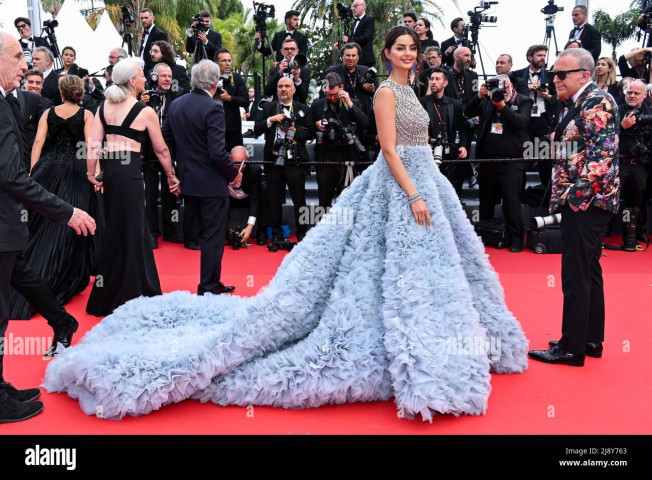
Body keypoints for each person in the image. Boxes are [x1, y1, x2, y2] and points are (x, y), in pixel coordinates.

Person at [41, 27, 528, 423]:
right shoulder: (384, 91)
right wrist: (416, 193)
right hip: (403, 189)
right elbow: (388, 150)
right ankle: (414, 350)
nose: (407, 53)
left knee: (430, 273)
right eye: (399, 47)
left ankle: (436, 340)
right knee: (380, 269)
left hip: (427, 188)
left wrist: (428, 187)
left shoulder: (414, 90)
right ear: (387, 52)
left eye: (412, 48)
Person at [0, 32, 96, 423]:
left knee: (21, 276)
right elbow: (10, 174)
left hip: (12, 221)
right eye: (16, 57)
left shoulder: (20, 105)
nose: (25, 66)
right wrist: (67, 212)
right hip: (6, 219)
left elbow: (29, 157)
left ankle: (59, 323)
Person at [529, 48, 619, 367]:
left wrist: (573, 199)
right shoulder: (577, 104)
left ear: (583, 74)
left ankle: (571, 347)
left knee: (576, 273)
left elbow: (602, 157)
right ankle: (589, 339)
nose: (554, 79)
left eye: (560, 74)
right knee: (589, 270)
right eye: (554, 73)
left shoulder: (597, 101)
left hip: (587, 203)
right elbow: (578, 148)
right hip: (589, 202)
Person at [85, 57, 180, 317]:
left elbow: (93, 144)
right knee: (136, 230)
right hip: (129, 174)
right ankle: (139, 292)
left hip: (111, 173)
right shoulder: (145, 111)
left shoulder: (104, 106)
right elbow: (161, 149)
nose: (143, 79)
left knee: (115, 230)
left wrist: (91, 172)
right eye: (140, 75)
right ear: (131, 81)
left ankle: (110, 295)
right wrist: (171, 175)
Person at [10, 74, 100, 320]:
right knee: (74, 225)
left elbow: (38, 142)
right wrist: (95, 172)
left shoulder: (47, 113)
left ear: (60, 92)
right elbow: (90, 146)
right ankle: (65, 274)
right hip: (76, 170)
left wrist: (32, 171)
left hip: (48, 169)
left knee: (42, 221)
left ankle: (30, 274)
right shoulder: (87, 115)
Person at [161, 60, 239, 296]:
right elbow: (217, 152)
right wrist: (234, 174)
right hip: (212, 185)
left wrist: (174, 172)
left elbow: (165, 140)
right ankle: (208, 285)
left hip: (188, 182)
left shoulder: (176, 104)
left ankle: (211, 283)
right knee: (212, 238)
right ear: (216, 82)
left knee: (203, 236)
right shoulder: (213, 107)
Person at [465, 74, 533, 253]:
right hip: (488, 161)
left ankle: (516, 237)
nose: (501, 93)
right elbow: (467, 112)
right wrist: (479, 96)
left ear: (511, 87)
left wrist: (503, 106)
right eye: (498, 89)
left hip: (512, 162)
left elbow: (521, 122)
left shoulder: (524, 100)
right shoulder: (487, 99)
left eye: (504, 89)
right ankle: (487, 234)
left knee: (512, 203)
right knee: (485, 201)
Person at [256, 76, 311, 248]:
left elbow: (310, 132)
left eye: (287, 86)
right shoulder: (269, 107)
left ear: (294, 89)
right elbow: (256, 128)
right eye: (280, 86)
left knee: (299, 199)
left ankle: (302, 234)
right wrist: (270, 120)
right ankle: (277, 236)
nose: (283, 89)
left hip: (295, 160)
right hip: (273, 159)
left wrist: (295, 131)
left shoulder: (303, 108)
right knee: (273, 199)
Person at [141, 63, 185, 249]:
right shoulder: (144, 94)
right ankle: (151, 232)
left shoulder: (180, 94)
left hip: (171, 149)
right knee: (150, 194)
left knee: (171, 191)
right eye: (163, 76)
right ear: (154, 77)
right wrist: (140, 103)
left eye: (169, 76)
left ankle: (171, 230)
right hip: (149, 150)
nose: (167, 79)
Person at [311, 72, 369, 209]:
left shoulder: (353, 103)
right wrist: (316, 125)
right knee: (324, 202)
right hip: (325, 158)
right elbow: (307, 131)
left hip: (348, 157)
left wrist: (349, 104)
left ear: (342, 87)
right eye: (328, 94)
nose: (332, 98)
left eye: (335, 94)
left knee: (348, 202)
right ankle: (323, 229)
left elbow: (365, 124)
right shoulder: (317, 106)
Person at [512, 45, 559, 190]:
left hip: (543, 120)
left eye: (544, 56)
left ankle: (546, 196)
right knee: (521, 159)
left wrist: (548, 96)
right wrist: (526, 89)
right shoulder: (517, 75)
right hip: (524, 120)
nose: (542, 58)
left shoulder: (551, 76)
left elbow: (561, 98)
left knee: (545, 160)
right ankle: (519, 197)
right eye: (539, 55)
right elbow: (509, 95)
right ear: (529, 57)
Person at [419, 67, 469, 196]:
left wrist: (463, 146)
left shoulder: (455, 104)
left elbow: (463, 128)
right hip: (428, 154)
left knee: (449, 191)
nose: (433, 82)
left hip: (450, 154)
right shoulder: (421, 102)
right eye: (431, 79)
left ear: (445, 83)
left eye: (437, 79)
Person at [616, 79, 651, 251]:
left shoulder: (648, 113)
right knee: (612, 201)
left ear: (645, 95)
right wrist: (622, 127)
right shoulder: (617, 110)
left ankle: (629, 237)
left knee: (633, 204)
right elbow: (605, 139)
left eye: (637, 93)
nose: (632, 96)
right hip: (620, 163)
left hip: (639, 165)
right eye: (630, 92)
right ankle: (601, 235)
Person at [227, 146, 267, 246]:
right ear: (229, 158)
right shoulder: (223, 166)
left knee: (264, 194)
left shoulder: (254, 169)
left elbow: (254, 199)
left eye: (241, 163)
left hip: (247, 196)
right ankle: (221, 232)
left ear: (247, 160)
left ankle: (261, 233)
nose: (237, 166)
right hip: (229, 197)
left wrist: (250, 226)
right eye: (235, 163)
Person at [214, 49, 249, 151]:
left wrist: (229, 98)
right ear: (216, 63)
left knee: (236, 159)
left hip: (233, 129)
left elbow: (245, 100)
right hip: (213, 126)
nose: (228, 63)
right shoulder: (210, 77)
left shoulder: (237, 78)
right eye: (224, 61)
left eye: (229, 61)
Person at [264, 38, 310, 104]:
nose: (289, 51)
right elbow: (268, 92)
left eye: (292, 49)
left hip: (296, 109)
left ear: (297, 51)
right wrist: (279, 74)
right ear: (282, 51)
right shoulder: (275, 67)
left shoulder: (304, 69)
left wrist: (297, 79)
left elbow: (303, 97)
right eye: (286, 49)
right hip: (278, 108)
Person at [337, 1, 375, 68]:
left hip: (365, 59)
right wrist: (341, 45)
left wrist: (349, 40)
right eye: (352, 7)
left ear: (363, 7)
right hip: (354, 60)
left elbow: (366, 37)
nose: (353, 9)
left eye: (355, 6)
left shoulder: (369, 20)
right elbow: (352, 41)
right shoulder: (353, 24)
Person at [139, 8, 168, 75]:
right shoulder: (144, 33)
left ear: (152, 18)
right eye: (141, 18)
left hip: (153, 73)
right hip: (143, 71)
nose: (143, 20)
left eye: (146, 18)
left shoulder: (159, 34)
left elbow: (163, 56)